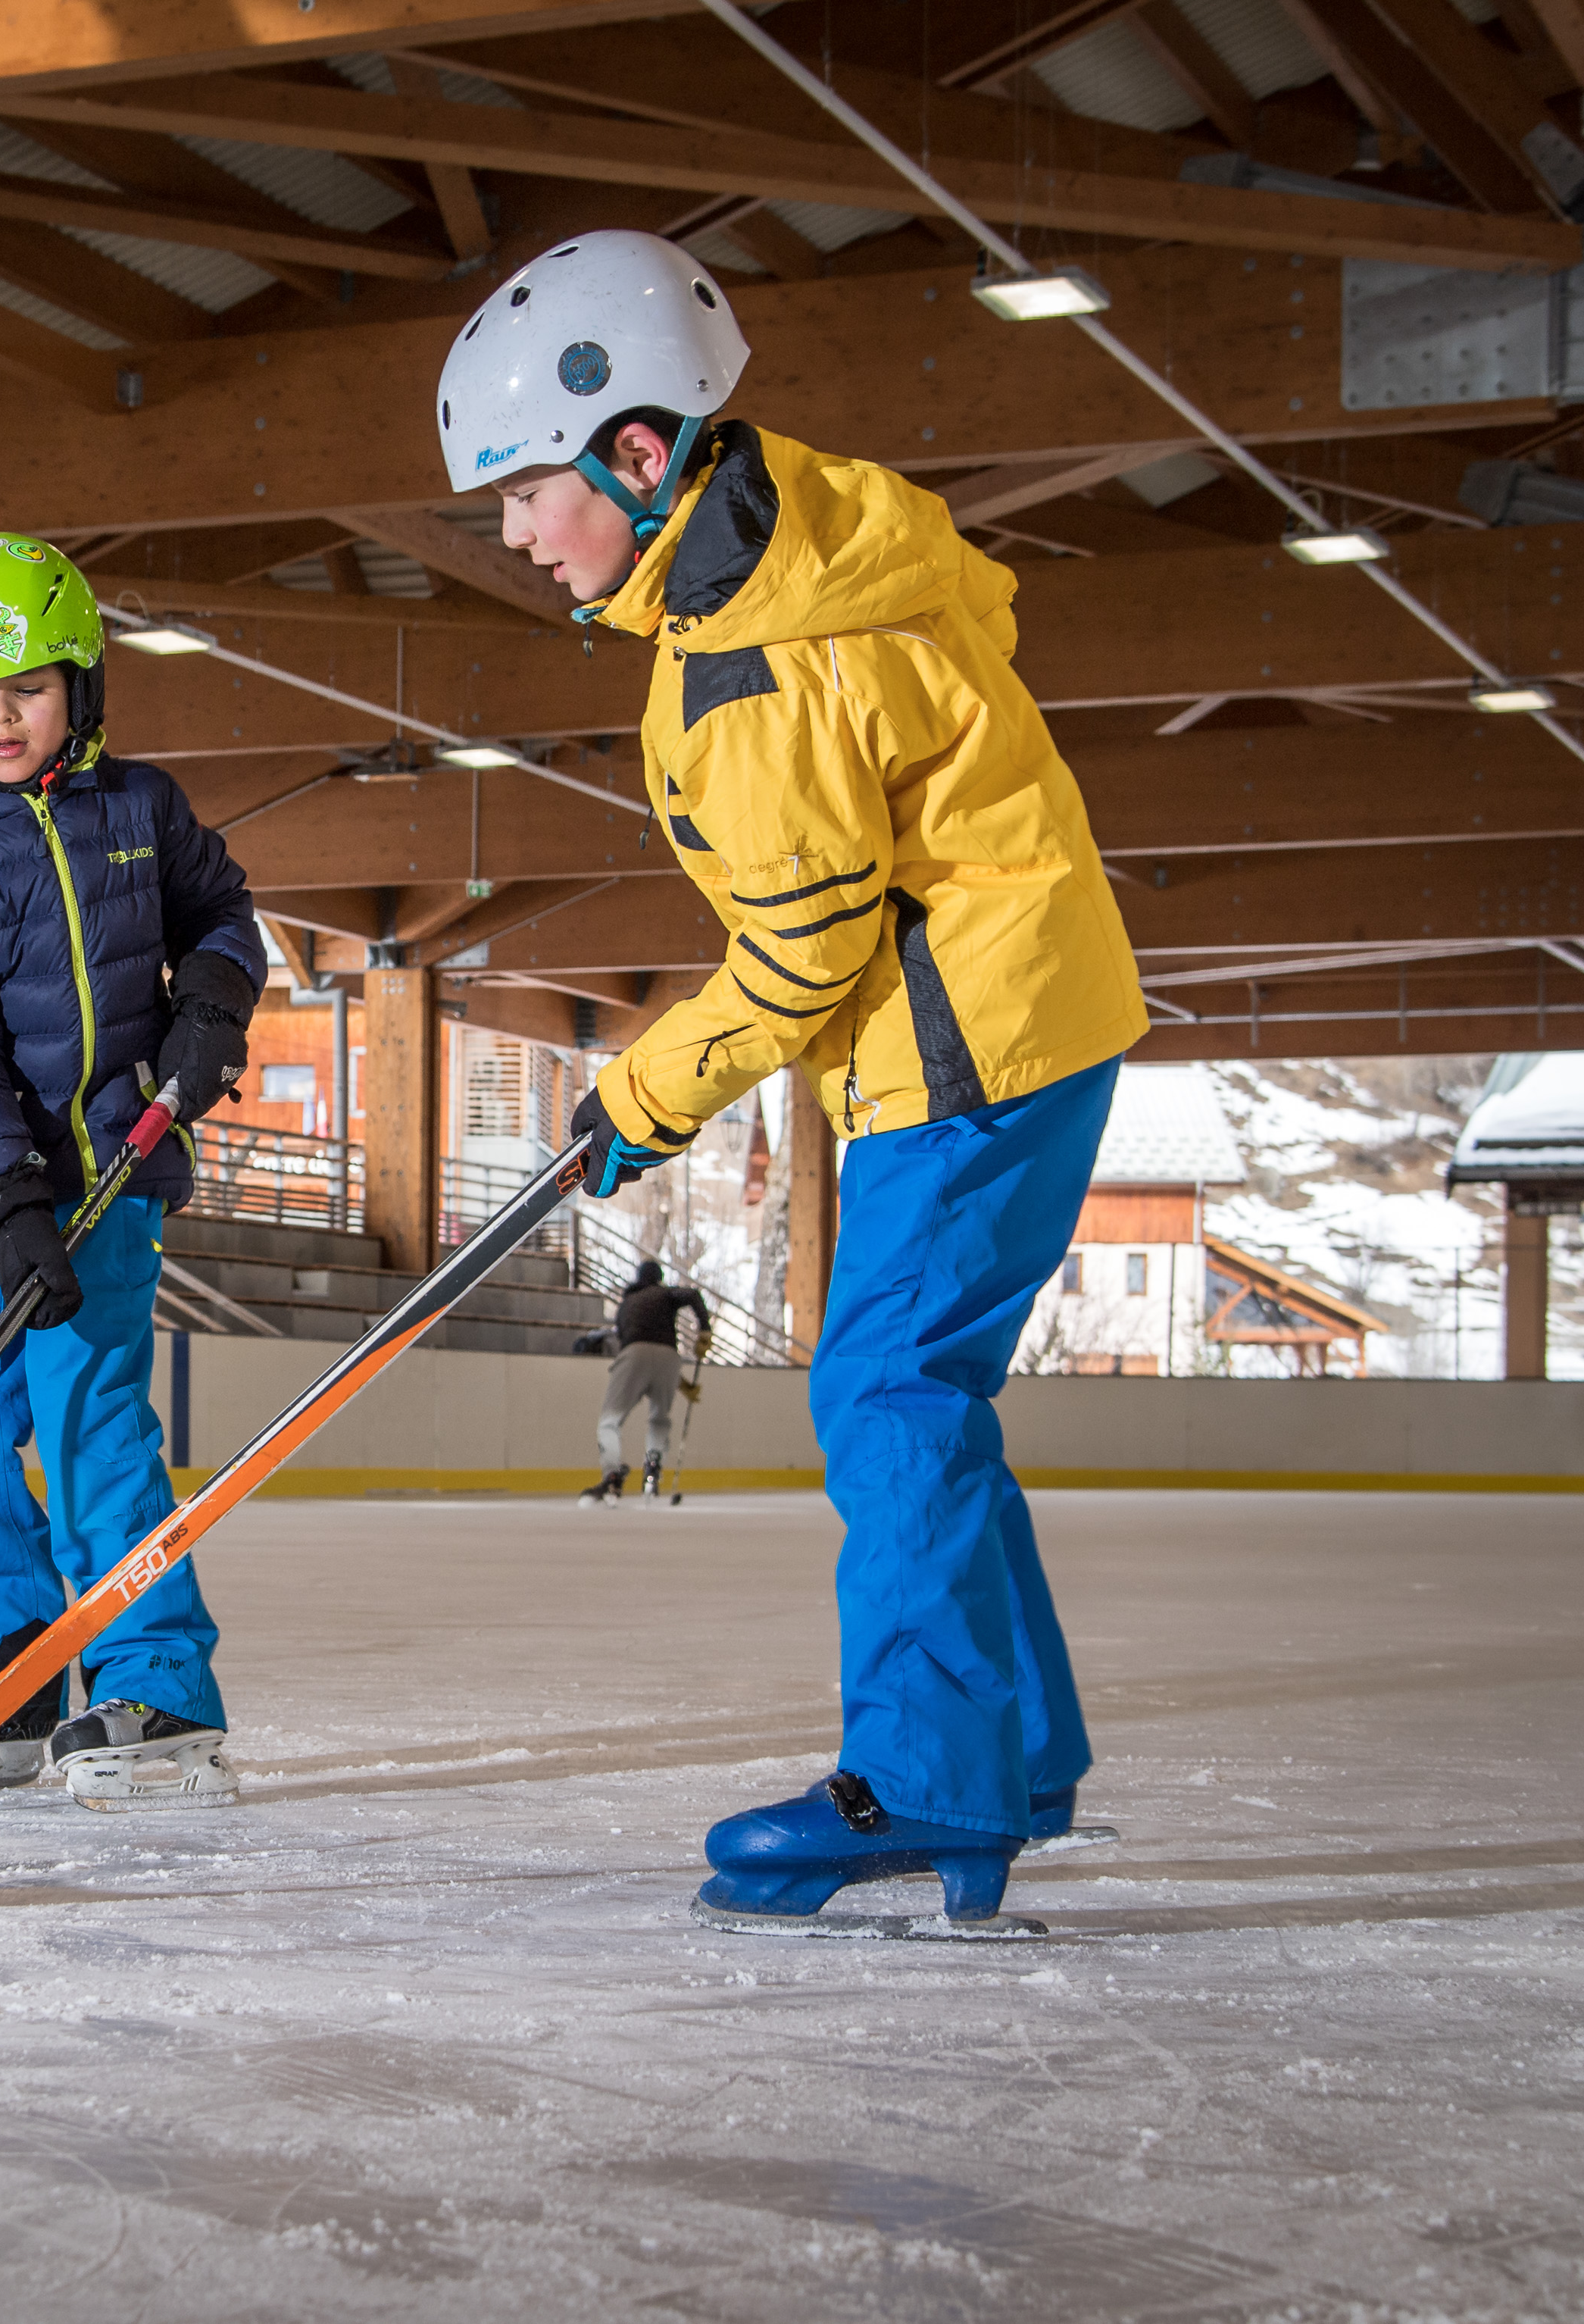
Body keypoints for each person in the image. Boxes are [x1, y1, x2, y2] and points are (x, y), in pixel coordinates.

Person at [437, 233, 1148, 1930]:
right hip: (1012, 1020)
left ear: (635, 452)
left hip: (957, 1049)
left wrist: (638, 1095)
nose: (519, 538)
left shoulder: (753, 663)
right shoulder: (792, 568)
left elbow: (802, 961)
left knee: (881, 1395)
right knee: (921, 1397)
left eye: (527, 493)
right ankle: (1011, 1759)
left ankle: (926, 1776)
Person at [0, 532, 267, 1809]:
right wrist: (6, 1194)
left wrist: (213, 1000)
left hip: (113, 1176)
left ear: (79, 688)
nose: (1, 718)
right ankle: (10, 1663)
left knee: (94, 1427)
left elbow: (225, 915)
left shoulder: (140, 812)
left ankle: (159, 1686)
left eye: (26, 688)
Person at [580, 1259, 711, 1506]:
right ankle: (652, 1471)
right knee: (659, 1418)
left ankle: (611, 1476)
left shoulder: (628, 1303)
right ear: (659, 1277)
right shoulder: (665, 1295)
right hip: (670, 1358)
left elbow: (639, 1351)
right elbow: (692, 1295)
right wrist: (704, 1329)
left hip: (634, 1352)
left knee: (610, 1421)